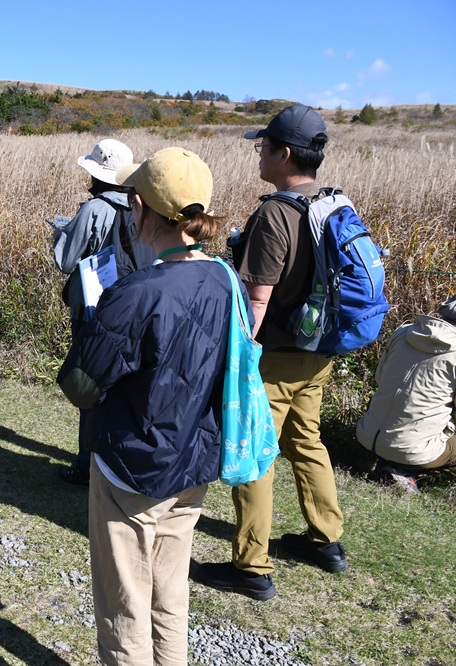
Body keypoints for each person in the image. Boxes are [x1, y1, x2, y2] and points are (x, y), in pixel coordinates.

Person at [59, 147, 245, 665]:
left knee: (124, 604)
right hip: (194, 460)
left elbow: (80, 386)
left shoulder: (136, 292)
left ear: (139, 206)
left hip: (131, 466)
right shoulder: (224, 279)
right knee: (169, 592)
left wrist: (99, 322)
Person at [199, 104, 348, 601]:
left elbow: (257, 299)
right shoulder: (332, 202)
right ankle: (326, 540)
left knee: (254, 449)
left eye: (263, 146)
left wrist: (239, 356)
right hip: (318, 351)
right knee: (307, 440)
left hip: (277, 357)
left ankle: (251, 567)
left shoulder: (276, 213)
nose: (258, 153)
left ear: (284, 154)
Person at [52, 139, 153, 486]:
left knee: (90, 385)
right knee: (125, 387)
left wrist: (62, 234)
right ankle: (117, 460)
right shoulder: (144, 206)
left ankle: (87, 464)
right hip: (135, 307)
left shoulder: (94, 208)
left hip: (93, 310)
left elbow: (65, 260)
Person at [356, 294, 456, 491]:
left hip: (367, 435)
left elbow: (380, 378)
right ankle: (405, 470)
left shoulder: (403, 332)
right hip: (414, 451)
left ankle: (390, 462)